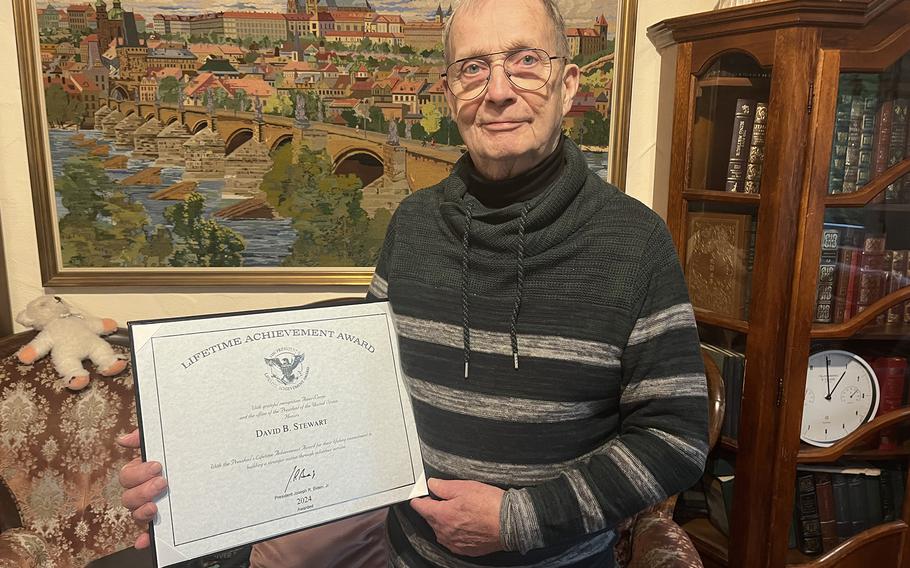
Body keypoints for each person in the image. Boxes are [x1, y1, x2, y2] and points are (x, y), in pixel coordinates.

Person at [118, 1, 709, 566]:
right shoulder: (414, 224)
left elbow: (676, 439)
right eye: (473, 68)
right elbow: (356, 393)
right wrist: (195, 462)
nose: (499, 91)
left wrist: (521, 519)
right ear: (451, 93)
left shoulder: (636, 243)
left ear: (569, 83)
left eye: (526, 61)